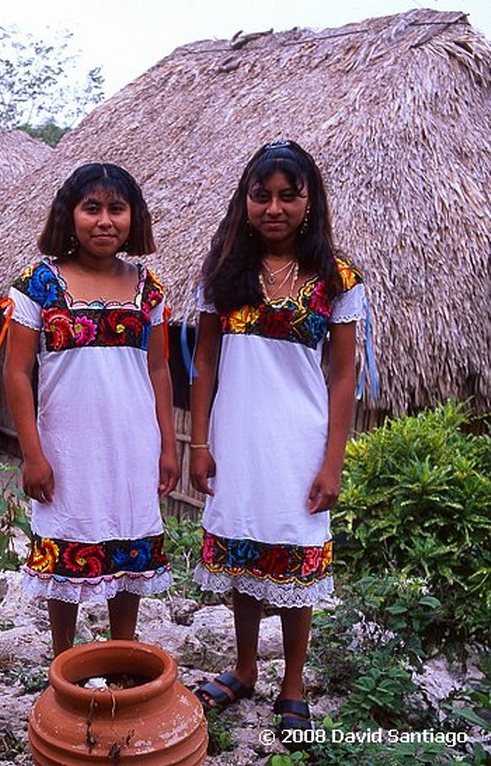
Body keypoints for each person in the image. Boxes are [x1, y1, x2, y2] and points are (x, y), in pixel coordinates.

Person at [188, 140, 365, 742]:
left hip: (297, 443)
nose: (274, 207)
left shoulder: (338, 279)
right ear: (245, 202)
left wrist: (331, 461)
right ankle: (242, 670)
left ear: (309, 201)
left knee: (292, 556)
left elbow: (343, 375)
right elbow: (204, 362)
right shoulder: (223, 274)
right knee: (243, 556)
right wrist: (199, 443)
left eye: (289, 195)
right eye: (261, 195)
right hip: (235, 440)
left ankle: (292, 682)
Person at [1, 162, 179, 657]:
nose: (105, 221)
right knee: (68, 545)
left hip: (131, 445)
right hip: (67, 449)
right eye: (92, 208)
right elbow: (16, 373)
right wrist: (33, 455)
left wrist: (168, 446)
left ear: (133, 218)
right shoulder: (38, 284)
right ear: (69, 215)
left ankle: (123, 658)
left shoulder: (150, 289)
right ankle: (65, 662)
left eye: (116, 209)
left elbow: (160, 371)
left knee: (127, 545)